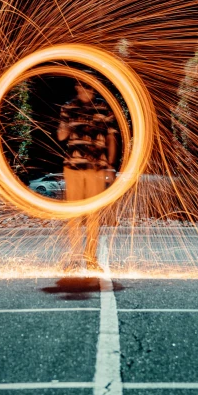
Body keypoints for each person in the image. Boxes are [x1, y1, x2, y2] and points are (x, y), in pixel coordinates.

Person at [57, 79, 118, 271]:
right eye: (79, 88)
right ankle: (75, 259)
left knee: (93, 215)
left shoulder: (103, 108)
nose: (82, 91)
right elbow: (61, 136)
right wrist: (65, 127)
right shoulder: (68, 108)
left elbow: (111, 137)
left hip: (96, 168)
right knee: (73, 215)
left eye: (86, 88)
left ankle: (91, 259)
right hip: (73, 166)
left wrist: (110, 165)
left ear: (92, 89)